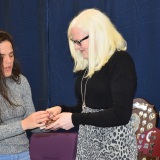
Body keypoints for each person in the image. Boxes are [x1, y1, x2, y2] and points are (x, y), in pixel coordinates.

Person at [46, 8, 138, 159]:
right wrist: (61, 110)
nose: (76, 47)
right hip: (88, 146)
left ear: (98, 35)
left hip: (115, 148)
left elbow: (121, 114)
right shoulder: (89, 66)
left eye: (79, 41)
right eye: (74, 42)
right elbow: (86, 109)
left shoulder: (121, 61)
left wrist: (73, 119)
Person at [0, 30, 49, 160]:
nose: (8, 61)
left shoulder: (21, 81)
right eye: (2, 57)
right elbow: (26, 123)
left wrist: (48, 122)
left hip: (23, 154)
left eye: (11, 55)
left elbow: (32, 125)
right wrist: (24, 124)